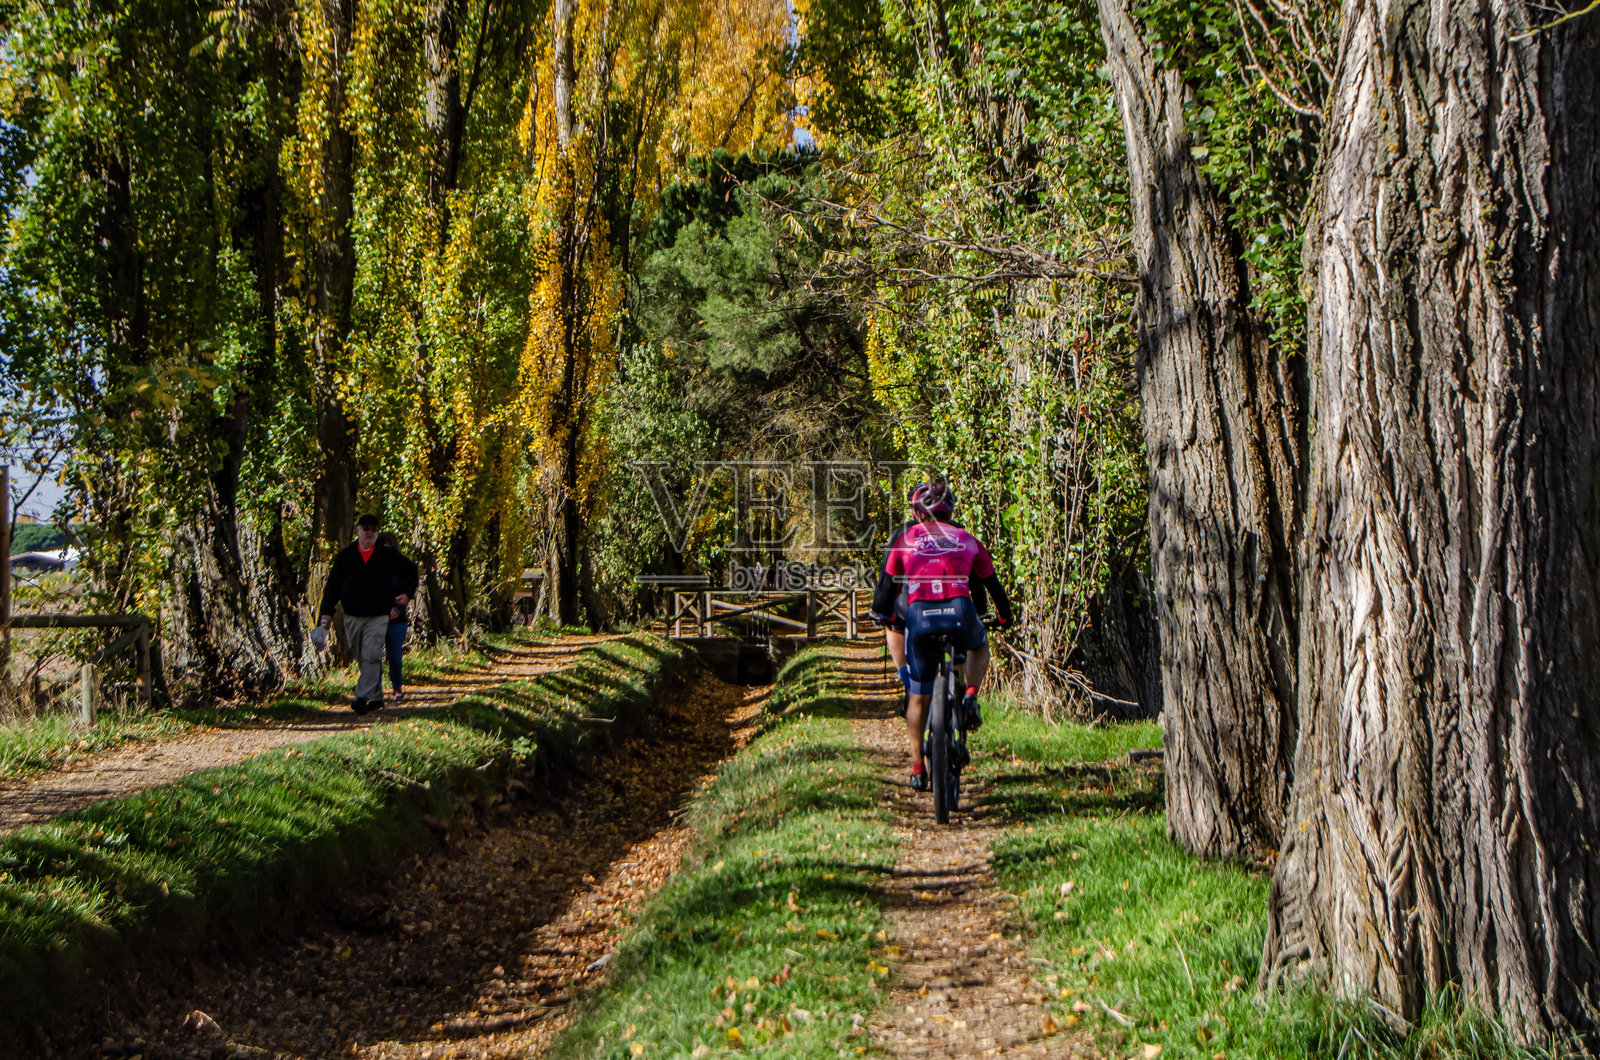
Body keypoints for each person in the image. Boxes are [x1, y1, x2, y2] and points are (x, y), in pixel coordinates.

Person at [870, 482, 1014, 791]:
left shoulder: (904, 538)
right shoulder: (966, 538)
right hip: (961, 613)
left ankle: (917, 768)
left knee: (917, 696)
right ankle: (970, 696)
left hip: (918, 616)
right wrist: (1004, 616)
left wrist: (887, 615)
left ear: (917, 512)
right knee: (978, 644)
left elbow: (883, 595)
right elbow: (989, 585)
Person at [317, 514, 419, 714]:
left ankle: (362, 697)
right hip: (352, 617)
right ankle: (376, 696)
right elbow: (333, 586)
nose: (370, 533)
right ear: (358, 531)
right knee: (362, 658)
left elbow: (411, 570)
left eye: (373, 529)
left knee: (372, 655)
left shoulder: (387, 554)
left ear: (377, 533)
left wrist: (408, 594)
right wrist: (327, 613)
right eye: (366, 529)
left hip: (378, 616)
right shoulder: (346, 556)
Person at [377, 531, 420, 705]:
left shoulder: (403, 566)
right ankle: (375, 691)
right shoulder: (373, 567)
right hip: (376, 618)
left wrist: (402, 603)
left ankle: (397, 689)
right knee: (374, 657)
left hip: (397, 618)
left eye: (390, 546)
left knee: (394, 656)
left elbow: (412, 578)